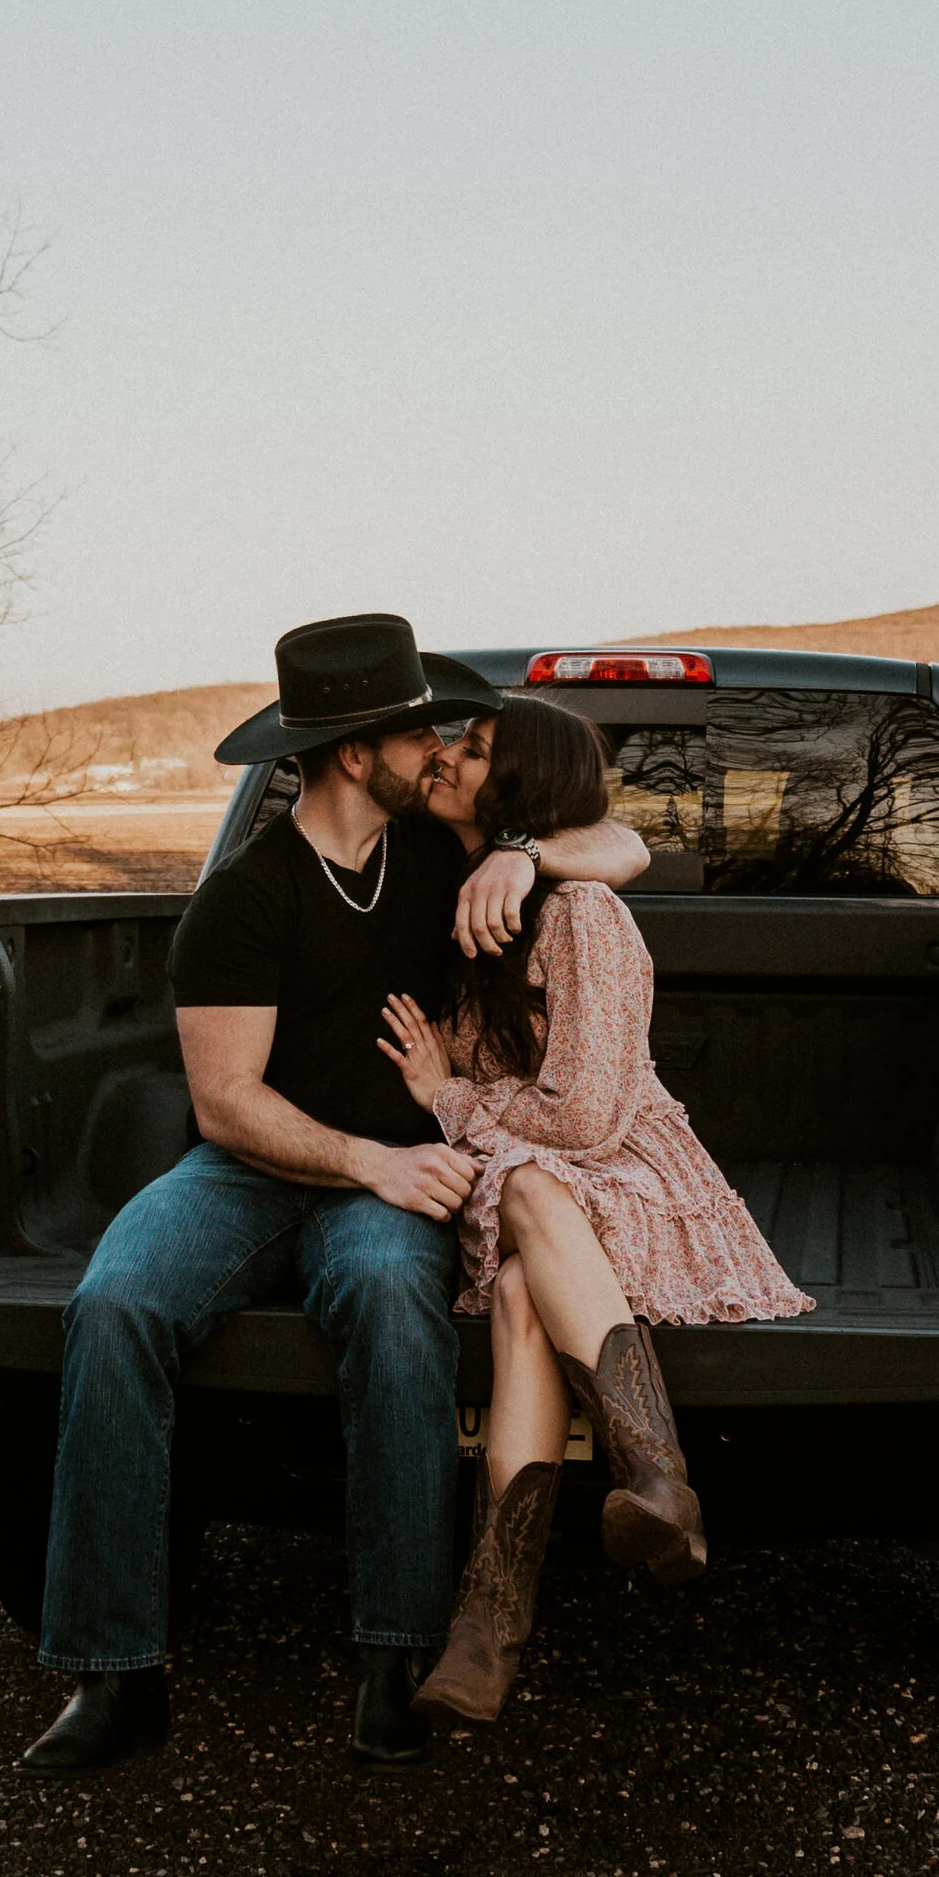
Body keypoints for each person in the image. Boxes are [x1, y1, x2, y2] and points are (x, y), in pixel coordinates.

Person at [24, 615, 649, 1780]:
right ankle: (113, 1676)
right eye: (419, 733)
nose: (440, 748)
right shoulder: (244, 898)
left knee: (392, 1312)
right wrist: (371, 1162)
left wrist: (526, 854)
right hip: (257, 1171)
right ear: (358, 753)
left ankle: (392, 1662)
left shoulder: (444, 857)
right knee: (112, 1306)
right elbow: (223, 1102)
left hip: (385, 1185)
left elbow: (626, 846)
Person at [378, 694, 811, 1727]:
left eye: (474, 753)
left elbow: (578, 1121)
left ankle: (634, 1493)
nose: (444, 759)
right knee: (525, 1283)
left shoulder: (581, 914)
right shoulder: (460, 891)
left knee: (529, 1190)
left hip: (635, 1186)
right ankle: (511, 1608)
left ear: (520, 789)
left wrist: (449, 1100)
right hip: (552, 1216)